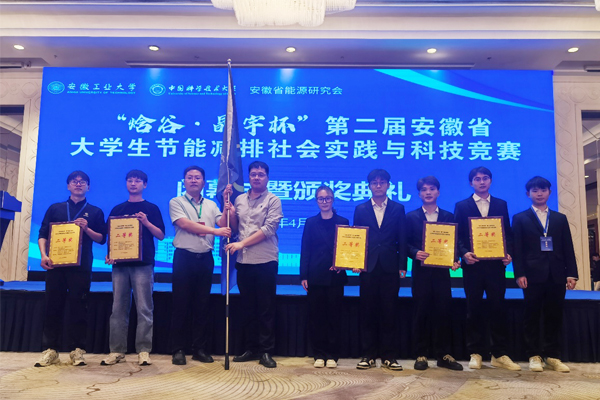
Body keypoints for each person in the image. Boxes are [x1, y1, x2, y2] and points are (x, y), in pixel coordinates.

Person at [35, 171, 107, 367]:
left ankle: (77, 350)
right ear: (68, 186)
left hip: (81, 267)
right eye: (74, 181)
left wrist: (87, 228)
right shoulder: (55, 208)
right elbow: (43, 234)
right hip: (55, 265)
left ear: (88, 187)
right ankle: (50, 350)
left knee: (79, 307)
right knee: (52, 306)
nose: (78, 184)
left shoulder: (95, 211)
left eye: (83, 182)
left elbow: (102, 239)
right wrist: (43, 255)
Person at [454, 166, 520, 371]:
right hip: (472, 267)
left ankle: (499, 354)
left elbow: (507, 234)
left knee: (498, 308)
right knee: (473, 309)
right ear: (471, 183)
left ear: (490, 181)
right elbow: (458, 236)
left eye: (485, 178)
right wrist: (464, 253)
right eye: (477, 179)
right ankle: (475, 353)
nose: (481, 182)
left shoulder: (501, 204)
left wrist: (509, 253)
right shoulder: (462, 206)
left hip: (496, 267)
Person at [513, 176, 578, 372]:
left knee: (554, 315)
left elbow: (567, 247)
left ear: (549, 192)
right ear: (528, 194)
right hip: (531, 275)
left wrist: (571, 273)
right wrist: (519, 273)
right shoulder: (520, 218)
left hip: (556, 274)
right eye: (535, 190)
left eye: (543, 190)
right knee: (531, 315)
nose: (539, 194)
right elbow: (517, 249)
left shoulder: (560, 218)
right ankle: (533, 355)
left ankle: (553, 356)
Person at [169, 166, 232, 365]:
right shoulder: (176, 202)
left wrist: (228, 206)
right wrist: (215, 232)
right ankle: (178, 349)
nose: (194, 180)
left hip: (205, 259)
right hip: (184, 258)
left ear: (204, 182)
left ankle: (199, 349)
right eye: (190, 177)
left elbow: (223, 223)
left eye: (197, 177)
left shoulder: (211, 204)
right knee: (180, 305)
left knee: (202, 305)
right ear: (184, 181)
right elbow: (185, 224)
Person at [101, 170, 165, 366]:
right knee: (118, 309)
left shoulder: (151, 208)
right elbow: (110, 236)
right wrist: (110, 254)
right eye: (130, 180)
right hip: (120, 266)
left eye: (138, 181)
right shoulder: (117, 209)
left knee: (144, 308)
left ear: (145, 185)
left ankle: (144, 350)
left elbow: (161, 235)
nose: (133, 183)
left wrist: (146, 222)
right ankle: (116, 350)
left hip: (143, 265)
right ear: (126, 183)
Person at [225, 161, 283, 368]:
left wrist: (241, 244)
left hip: (265, 260)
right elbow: (234, 228)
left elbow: (269, 229)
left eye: (261, 174)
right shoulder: (239, 199)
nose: (256, 177)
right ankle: (250, 348)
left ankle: (266, 351)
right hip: (244, 261)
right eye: (253, 174)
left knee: (266, 308)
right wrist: (230, 211)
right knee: (248, 308)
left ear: (267, 177)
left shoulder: (273, 200)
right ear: (249, 177)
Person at [406, 176, 463, 371]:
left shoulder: (448, 216)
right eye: (424, 189)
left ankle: (443, 355)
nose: (428, 192)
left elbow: (454, 243)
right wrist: (415, 253)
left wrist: (455, 259)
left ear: (438, 192)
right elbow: (404, 243)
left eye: (431, 189)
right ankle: (420, 354)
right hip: (421, 273)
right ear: (419, 194)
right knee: (420, 312)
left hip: (441, 274)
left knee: (443, 312)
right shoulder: (411, 217)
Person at [353, 169, 407, 371]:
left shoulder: (398, 208)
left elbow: (402, 238)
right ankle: (368, 355)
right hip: (367, 267)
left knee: (389, 312)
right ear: (369, 186)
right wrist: (356, 261)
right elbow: (357, 238)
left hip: (390, 267)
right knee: (368, 311)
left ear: (388, 185)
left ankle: (389, 356)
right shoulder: (361, 209)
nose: (378, 185)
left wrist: (402, 265)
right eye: (374, 182)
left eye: (382, 182)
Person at [300, 185, 349, 369]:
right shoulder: (311, 222)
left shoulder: (343, 221)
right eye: (321, 199)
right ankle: (319, 354)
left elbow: (348, 248)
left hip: (336, 276)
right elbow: (305, 249)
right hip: (315, 276)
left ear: (333, 199)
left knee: (334, 317)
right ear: (316, 201)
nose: (324, 201)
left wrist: (343, 263)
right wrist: (303, 275)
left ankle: (332, 355)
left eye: (327, 198)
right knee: (317, 317)